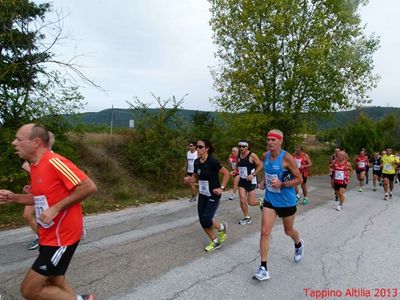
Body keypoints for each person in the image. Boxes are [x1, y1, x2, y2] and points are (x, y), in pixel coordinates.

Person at [0, 123, 97, 300]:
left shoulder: (55, 162)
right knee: (55, 282)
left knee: (29, 290)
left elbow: (89, 186)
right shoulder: (35, 166)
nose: (14, 143)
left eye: (19, 139)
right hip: (48, 234)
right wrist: (14, 197)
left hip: (62, 237)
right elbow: (39, 198)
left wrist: (56, 208)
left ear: (36, 142)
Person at [254, 129, 304, 281]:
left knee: (288, 231)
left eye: (273, 140)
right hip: (270, 200)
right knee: (264, 232)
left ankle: (298, 244)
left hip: (286, 201)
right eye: (268, 139)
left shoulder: (287, 158)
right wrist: (263, 181)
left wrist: (282, 184)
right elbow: (268, 172)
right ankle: (263, 268)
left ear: (280, 141)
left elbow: (299, 179)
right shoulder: (265, 155)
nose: (269, 142)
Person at [184, 139, 230, 252]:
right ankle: (215, 241)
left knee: (206, 219)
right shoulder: (196, 162)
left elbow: (226, 173)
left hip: (213, 195)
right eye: (197, 146)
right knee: (202, 220)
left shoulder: (213, 161)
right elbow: (195, 176)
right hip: (203, 194)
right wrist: (190, 179)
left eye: (200, 147)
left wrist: (221, 188)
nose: (198, 149)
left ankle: (222, 227)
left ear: (207, 148)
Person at [22, 131, 55, 250]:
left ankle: (44, 238)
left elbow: (49, 178)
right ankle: (42, 237)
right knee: (27, 215)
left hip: (49, 195)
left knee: (50, 217)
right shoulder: (37, 159)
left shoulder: (52, 159)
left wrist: (29, 169)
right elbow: (40, 180)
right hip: (38, 193)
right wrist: (30, 187)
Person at [236, 141, 263, 225]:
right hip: (242, 181)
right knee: (242, 200)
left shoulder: (252, 155)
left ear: (247, 147)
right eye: (240, 146)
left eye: (243, 146)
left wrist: (253, 174)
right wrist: (235, 171)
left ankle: (260, 202)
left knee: (251, 202)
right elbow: (239, 165)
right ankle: (247, 217)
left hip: (251, 181)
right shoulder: (239, 155)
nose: (241, 148)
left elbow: (260, 165)